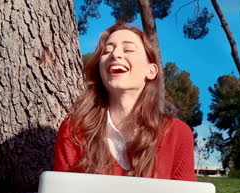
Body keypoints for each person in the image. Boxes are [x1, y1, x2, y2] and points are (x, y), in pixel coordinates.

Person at [53, 23, 196, 182]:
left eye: (128, 49)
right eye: (107, 51)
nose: (115, 54)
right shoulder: (73, 131)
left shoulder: (178, 134)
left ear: (151, 71)